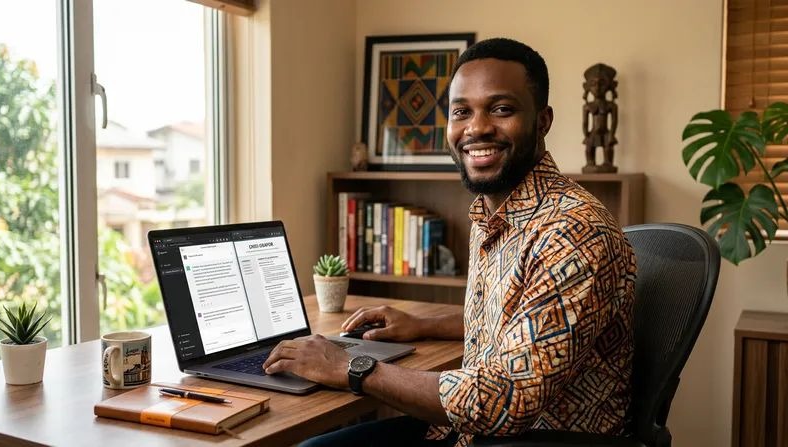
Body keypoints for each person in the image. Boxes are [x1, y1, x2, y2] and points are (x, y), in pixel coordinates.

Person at [263, 37, 637, 447]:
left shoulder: (572, 231)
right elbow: (517, 324)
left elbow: (505, 399)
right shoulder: (492, 211)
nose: (476, 128)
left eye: (501, 109)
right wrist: (420, 325)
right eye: (462, 112)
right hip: (466, 432)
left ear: (543, 121)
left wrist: (353, 366)